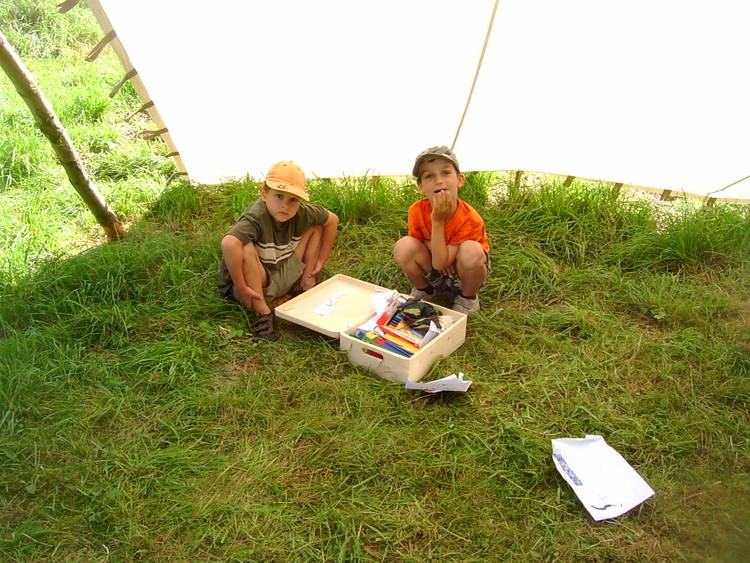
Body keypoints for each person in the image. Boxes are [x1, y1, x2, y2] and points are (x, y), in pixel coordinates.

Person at [218, 161, 339, 340]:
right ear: (263, 193)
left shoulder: (303, 213)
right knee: (244, 246)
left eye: (293, 200)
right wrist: (242, 287)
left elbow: (332, 220)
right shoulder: (257, 216)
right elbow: (229, 243)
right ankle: (263, 313)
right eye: (279, 196)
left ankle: (305, 285)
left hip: (282, 272)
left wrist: (321, 260)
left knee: (316, 226)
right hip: (256, 285)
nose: (285, 205)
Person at [393, 146, 490, 314]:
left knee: (472, 250)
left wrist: (437, 221)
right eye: (429, 176)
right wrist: (440, 251)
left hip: (463, 272)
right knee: (403, 246)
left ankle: (468, 297)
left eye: (445, 173)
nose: (438, 180)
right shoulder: (416, 210)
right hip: (436, 267)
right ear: (420, 187)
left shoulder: (470, 218)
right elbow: (419, 244)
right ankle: (426, 290)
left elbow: (440, 262)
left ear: (460, 179)